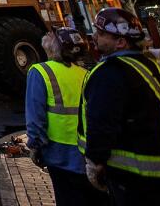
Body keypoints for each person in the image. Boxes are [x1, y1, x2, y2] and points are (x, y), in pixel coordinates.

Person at [78, 7, 160, 203]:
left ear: (120, 42)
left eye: (102, 34)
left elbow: (102, 123)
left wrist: (95, 161)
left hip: (140, 180)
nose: (95, 37)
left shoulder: (110, 73)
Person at [26, 28, 104, 206]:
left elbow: (35, 115)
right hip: (88, 152)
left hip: (59, 152)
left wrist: (35, 146)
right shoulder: (86, 74)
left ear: (53, 47)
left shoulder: (41, 72)